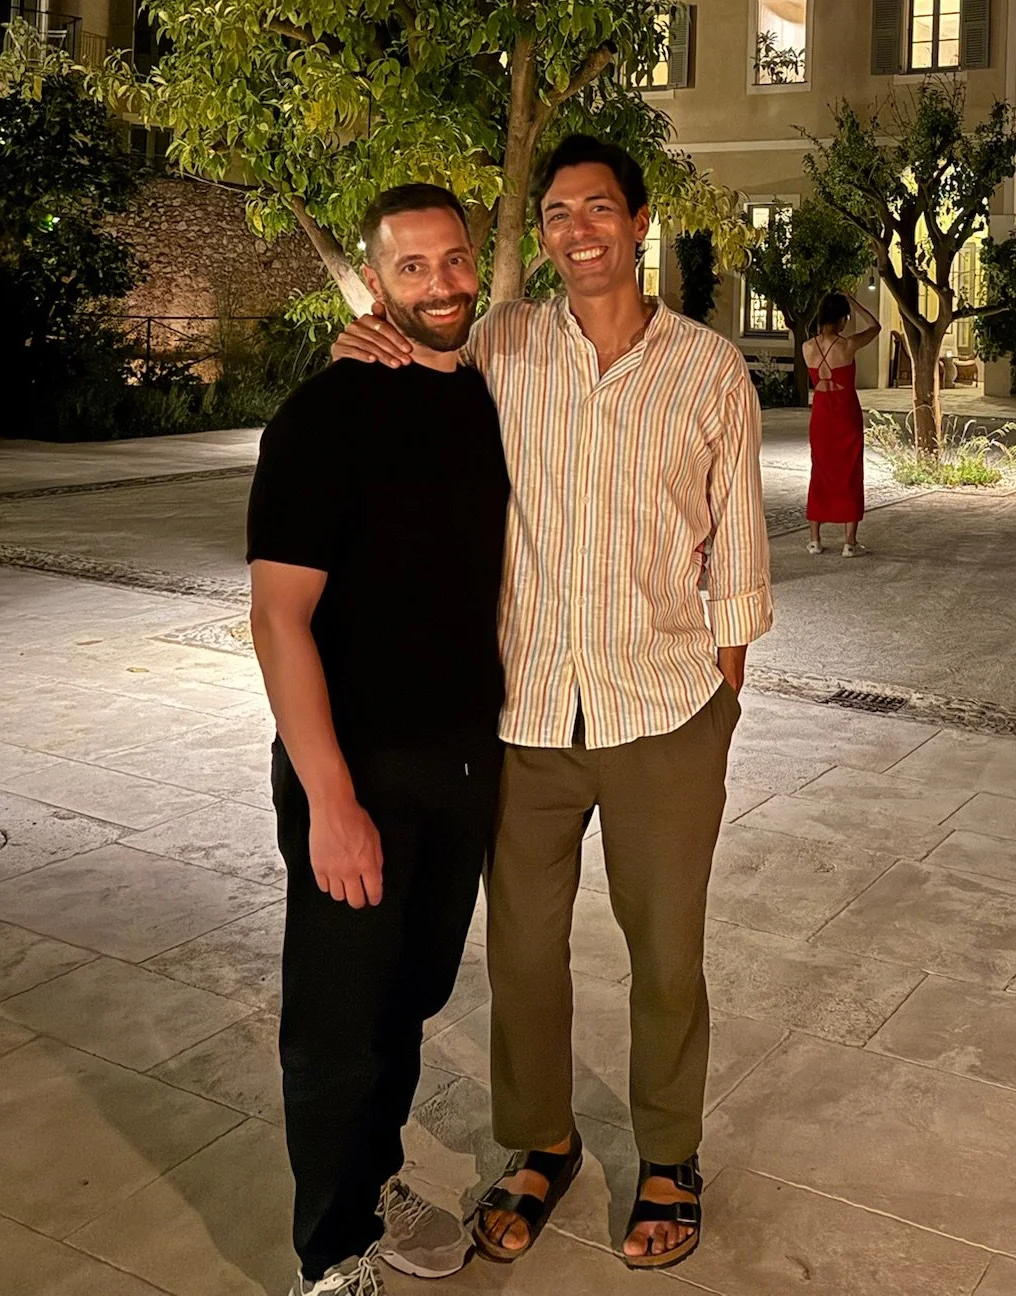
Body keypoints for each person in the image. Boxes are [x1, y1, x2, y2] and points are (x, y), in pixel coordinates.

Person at [334, 134, 771, 1273]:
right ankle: (542, 1141)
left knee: (667, 952)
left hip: (665, 711)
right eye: (558, 212)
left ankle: (669, 1154)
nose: (577, 229)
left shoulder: (707, 366)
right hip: (525, 716)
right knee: (523, 954)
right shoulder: (500, 344)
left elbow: (739, 550)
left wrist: (719, 696)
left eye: (598, 207)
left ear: (638, 221)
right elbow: (417, 389)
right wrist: (371, 338)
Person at [248, 186, 508, 1296]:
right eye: (412, 268)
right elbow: (277, 617)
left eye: (454, 260)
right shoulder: (324, 415)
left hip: (465, 759)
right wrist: (330, 799)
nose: (441, 283)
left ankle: (375, 1171)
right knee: (336, 1020)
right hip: (357, 768)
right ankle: (330, 1250)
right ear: (374, 280)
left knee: (412, 990)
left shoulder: (488, 397)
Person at [801, 292, 879, 555]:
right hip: (845, 413)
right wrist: (855, 303)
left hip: (821, 414)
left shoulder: (807, 347)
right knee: (850, 472)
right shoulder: (847, 346)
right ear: (842, 318)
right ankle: (850, 542)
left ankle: (815, 539)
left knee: (820, 472)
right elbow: (875, 327)